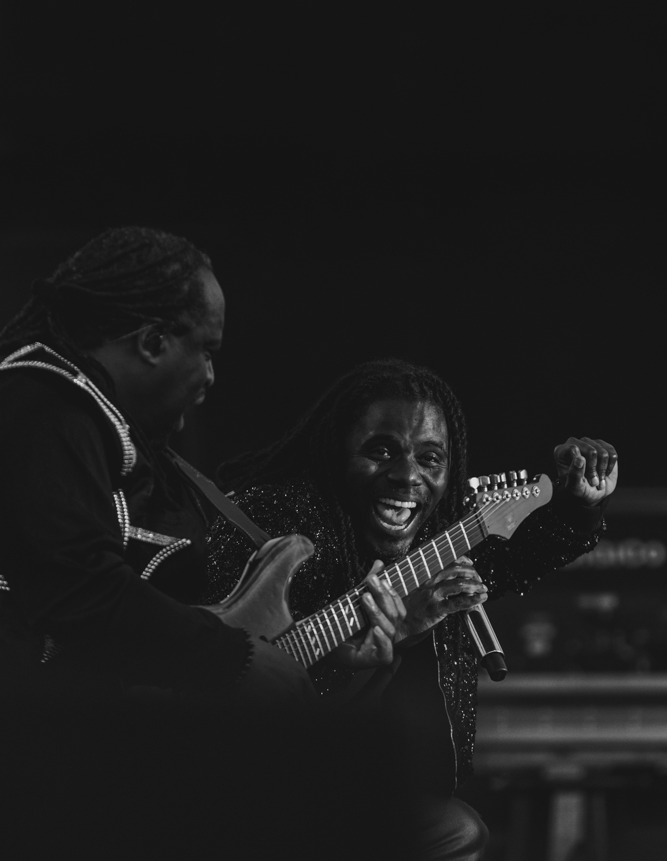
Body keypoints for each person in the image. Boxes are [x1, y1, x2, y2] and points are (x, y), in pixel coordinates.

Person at [201, 357, 617, 861]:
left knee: (454, 837)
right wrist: (378, 647)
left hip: (358, 794)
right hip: (248, 791)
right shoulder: (266, 522)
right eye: (381, 450)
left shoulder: (439, 538)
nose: (407, 477)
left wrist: (578, 506)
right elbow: (216, 681)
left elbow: (521, 553)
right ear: (336, 450)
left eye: (430, 458)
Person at [0, 226, 401, 704]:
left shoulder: (105, 427)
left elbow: (151, 617)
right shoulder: (43, 404)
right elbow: (78, 589)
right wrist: (230, 659)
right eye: (206, 350)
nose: (210, 376)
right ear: (152, 341)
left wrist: (310, 644)